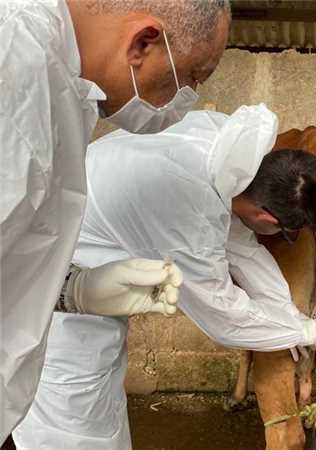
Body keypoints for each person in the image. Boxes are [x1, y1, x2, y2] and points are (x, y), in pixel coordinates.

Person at [12, 104, 316, 449]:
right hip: (59, 294)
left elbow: (244, 249)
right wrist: (304, 331)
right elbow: (223, 316)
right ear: (269, 218)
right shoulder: (190, 209)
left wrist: (291, 318)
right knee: (74, 427)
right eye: (290, 232)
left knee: (103, 406)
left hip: (91, 267)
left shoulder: (227, 151)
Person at [0, 0, 231, 442]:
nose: (186, 100)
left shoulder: (65, 83)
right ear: (143, 43)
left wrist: (73, 290)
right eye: (193, 77)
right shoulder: (13, 68)